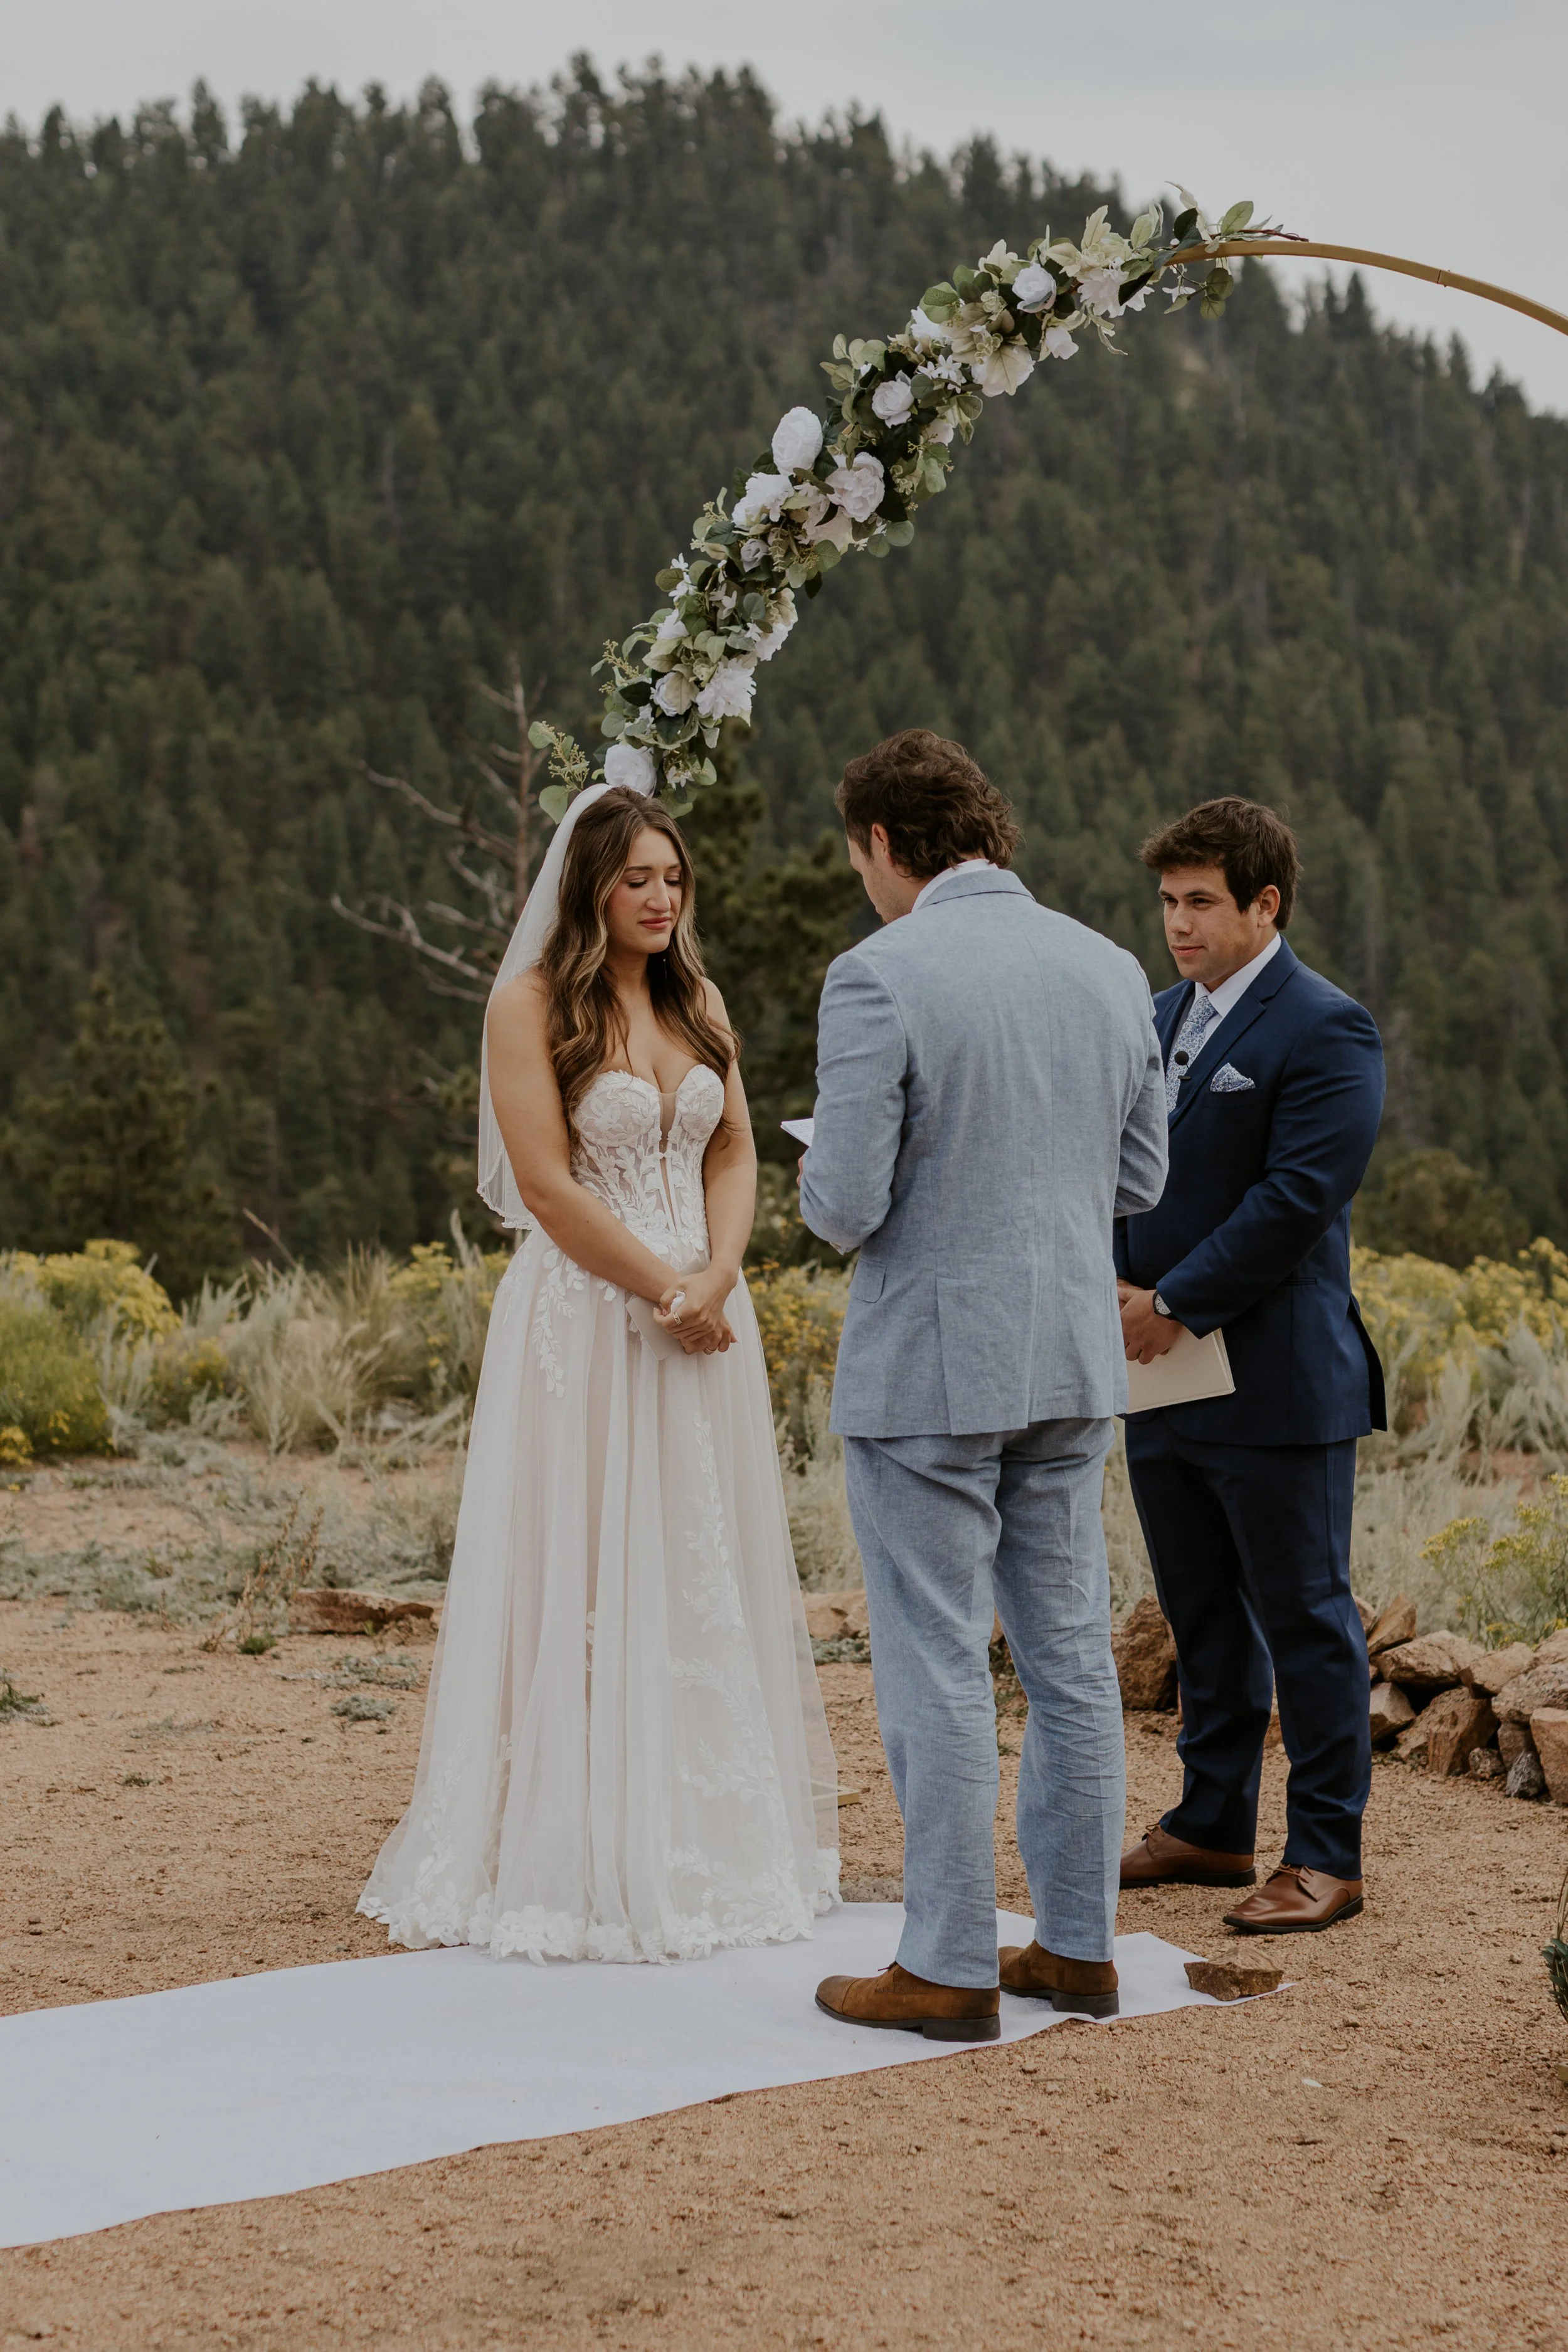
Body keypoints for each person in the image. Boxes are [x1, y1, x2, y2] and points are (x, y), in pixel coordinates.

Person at [359, 777, 838, 1964]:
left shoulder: (699, 999)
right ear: (590, 888)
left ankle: (701, 1827)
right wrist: (660, 1288)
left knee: (693, 1555)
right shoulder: (527, 1005)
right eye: (638, 880)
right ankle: (567, 1836)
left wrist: (721, 1274)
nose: (662, 898)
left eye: (674, 879)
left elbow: (733, 1144)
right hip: (589, 1316)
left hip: (702, 1321)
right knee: (578, 1562)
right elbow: (548, 1187)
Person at [799, 729, 1168, 2040]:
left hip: (929, 1368)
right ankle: (1075, 1948)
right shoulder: (1109, 967)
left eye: (859, 860)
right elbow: (1138, 1185)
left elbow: (841, 1206)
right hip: (1068, 1358)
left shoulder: (877, 975)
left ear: (882, 846)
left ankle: (948, 1960)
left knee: (936, 1660)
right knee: (1070, 1658)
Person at [1115, 797, 1385, 1934]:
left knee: (1306, 1612)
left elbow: (1295, 1200)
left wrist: (1172, 1301)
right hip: (1155, 1376)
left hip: (1275, 1378)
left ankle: (1327, 1851)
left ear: (1264, 904)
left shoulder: (1328, 1026)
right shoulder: (1151, 1015)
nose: (1179, 923)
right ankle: (1214, 1823)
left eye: (1202, 902)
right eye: (1170, 901)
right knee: (1199, 1609)